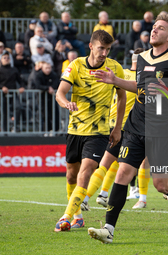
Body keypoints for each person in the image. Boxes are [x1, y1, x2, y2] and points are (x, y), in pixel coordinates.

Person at [88, 13, 168, 244]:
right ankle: (108, 229)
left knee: (161, 184)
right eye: (154, 27)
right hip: (135, 125)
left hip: (161, 130)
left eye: (160, 28)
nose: (154, 30)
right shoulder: (143, 58)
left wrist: (166, 91)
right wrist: (115, 80)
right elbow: (139, 88)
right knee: (122, 173)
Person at [54, 30, 126, 231]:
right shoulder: (75, 65)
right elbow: (59, 93)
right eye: (101, 48)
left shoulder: (114, 68)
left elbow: (122, 97)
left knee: (85, 173)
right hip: (75, 129)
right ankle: (77, 216)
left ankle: (66, 216)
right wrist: (66, 103)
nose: (104, 53)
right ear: (91, 46)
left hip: (99, 132)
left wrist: (117, 128)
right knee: (71, 176)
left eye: (108, 49)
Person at [81, 48, 145, 211]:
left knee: (116, 163)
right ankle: (86, 197)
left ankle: (102, 194)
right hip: (124, 128)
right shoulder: (141, 81)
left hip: (110, 123)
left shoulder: (120, 74)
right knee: (105, 164)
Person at [0, 51, 25, 132]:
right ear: (1, 60)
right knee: (4, 112)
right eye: (4, 58)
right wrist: (2, 87)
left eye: (8, 58)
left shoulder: (14, 69)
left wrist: (22, 87)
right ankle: (4, 130)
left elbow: (21, 80)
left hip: (13, 93)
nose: (6, 59)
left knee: (18, 107)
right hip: (2, 94)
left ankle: (15, 126)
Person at [34, 62, 59, 132]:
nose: (48, 70)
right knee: (44, 115)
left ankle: (55, 130)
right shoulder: (38, 75)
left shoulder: (53, 75)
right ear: (42, 68)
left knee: (54, 114)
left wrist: (51, 88)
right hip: (42, 98)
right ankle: (45, 131)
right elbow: (38, 85)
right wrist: (47, 88)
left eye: (49, 68)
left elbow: (56, 84)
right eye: (46, 68)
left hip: (52, 98)